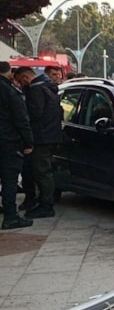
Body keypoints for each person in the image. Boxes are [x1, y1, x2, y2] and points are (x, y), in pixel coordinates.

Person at [14, 66, 63, 219]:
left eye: (20, 81)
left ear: (24, 78)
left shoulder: (36, 91)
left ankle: (46, 205)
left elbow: (34, 115)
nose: (21, 85)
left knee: (42, 172)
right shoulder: (49, 89)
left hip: (42, 137)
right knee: (43, 171)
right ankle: (43, 202)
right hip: (51, 136)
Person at [0, 61, 34, 229]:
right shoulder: (10, 92)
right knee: (9, 181)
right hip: (8, 142)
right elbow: (21, 120)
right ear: (10, 74)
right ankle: (11, 217)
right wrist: (29, 141)